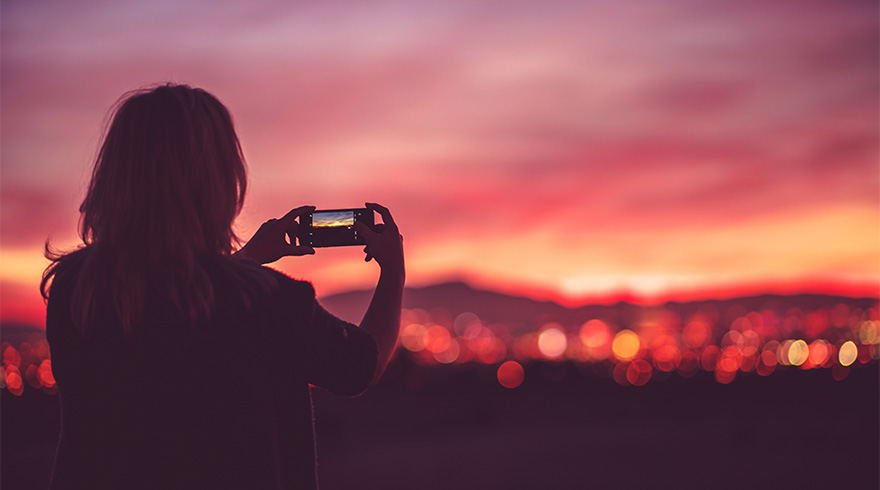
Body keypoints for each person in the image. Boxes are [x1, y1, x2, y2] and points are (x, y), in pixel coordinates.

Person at [40, 83, 404, 490]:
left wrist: (243, 261)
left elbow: (171, 321)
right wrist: (393, 273)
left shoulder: (75, 290)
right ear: (219, 179)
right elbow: (361, 367)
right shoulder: (268, 302)